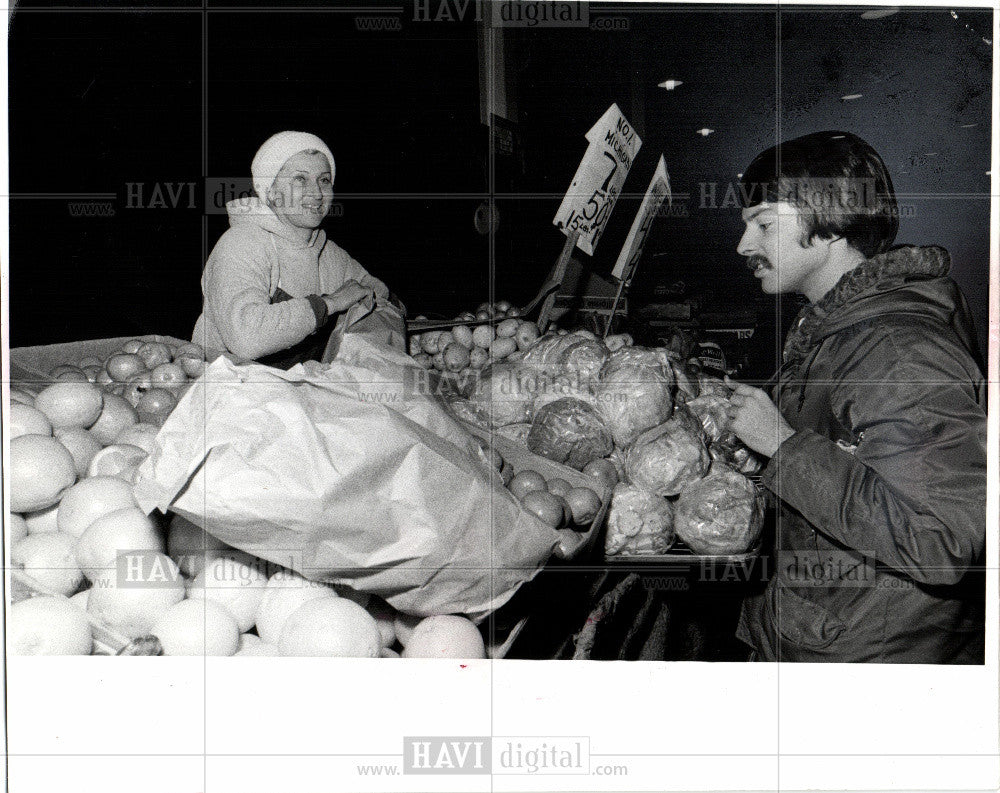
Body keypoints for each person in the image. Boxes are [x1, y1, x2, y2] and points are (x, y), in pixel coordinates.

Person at [725, 131, 987, 663]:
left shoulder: (900, 351)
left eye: (764, 225)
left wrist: (783, 446)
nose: (743, 246)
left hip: (875, 666)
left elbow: (944, 542)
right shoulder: (843, 330)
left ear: (829, 224)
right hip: (836, 629)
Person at [193, 131, 398, 368]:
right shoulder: (241, 242)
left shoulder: (330, 255)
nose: (317, 193)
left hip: (301, 396)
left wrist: (396, 315)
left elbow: (379, 294)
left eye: (324, 180)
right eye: (300, 179)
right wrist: (329, 303)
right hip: (232, 392)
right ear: (271, 193)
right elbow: (246, 338)